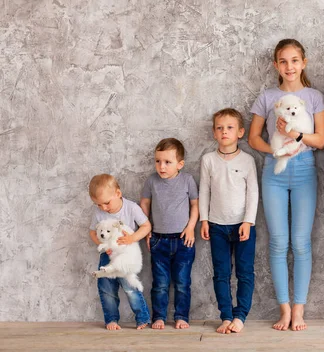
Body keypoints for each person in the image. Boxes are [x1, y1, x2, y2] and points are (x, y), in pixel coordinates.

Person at [248, 39, 324, 331]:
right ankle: (284, 310)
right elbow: (254, 138)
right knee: (279, 242)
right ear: (275, 65)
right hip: (274, 173)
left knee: (301, 242)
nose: (289, 67)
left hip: (305, 169)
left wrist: (294, 136)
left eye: (294, 60)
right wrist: (277, 150)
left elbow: (321, 139)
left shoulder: (315, 96)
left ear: (303, 62)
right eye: (283, 61)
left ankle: (299, 310)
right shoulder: (268, 97)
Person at [199, 108, 259, 334]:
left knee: (244, 272)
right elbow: (204, 191)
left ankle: (240, 315)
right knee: (221, 273)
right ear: (214, 133)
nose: (224, 132)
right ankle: (225, 316)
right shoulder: (208, 160)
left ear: (240, 132)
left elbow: (253, 193)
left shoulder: (248, 160)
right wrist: (204, 220)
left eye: (230, 127)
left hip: (243, 226)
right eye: (220, 128)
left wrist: (248, 222)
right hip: (216, 226)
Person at [140, 138, 199, 330]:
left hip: (183, 240)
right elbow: (145, 204)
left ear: (180, 164)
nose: (161, 166)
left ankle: (181, 316)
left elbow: (195, 205)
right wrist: (146, 227)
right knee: (160, 283)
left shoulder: (187, 180)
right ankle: (159, 317)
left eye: (167, 162)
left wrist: (190, 227)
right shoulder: (151, 181)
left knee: (182, 283)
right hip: (159, 240)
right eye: (158, 161)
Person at [88, 174, 151, 330]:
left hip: (126, 255)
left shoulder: (131, 208)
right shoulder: (99, 214)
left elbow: (146, 226)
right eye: (98, 205)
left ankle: (142, 317)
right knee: (106, 287)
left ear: (118, 194)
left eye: (106, 203)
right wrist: (102, 244)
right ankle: (111, 320)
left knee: (129, 286)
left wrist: (132, 238)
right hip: (107, 255)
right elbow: (92, 233)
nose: (103, 208)